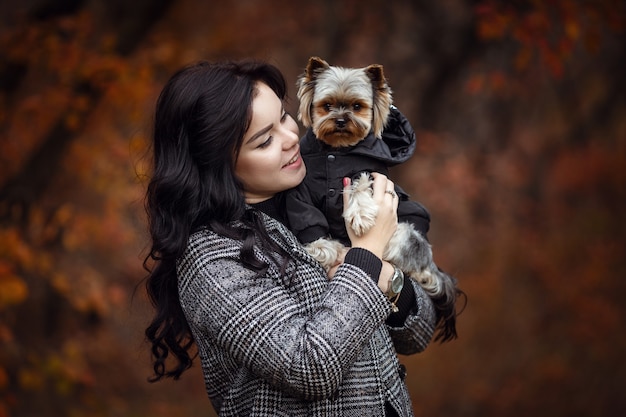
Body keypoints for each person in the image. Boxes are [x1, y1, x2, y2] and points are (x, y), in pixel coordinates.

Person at [143, 60, 437, 417]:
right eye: (265, 140)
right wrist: (368, 253)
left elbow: (419, 332)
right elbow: (310, 368)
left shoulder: (317, 198)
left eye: (284, 117)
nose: (291, 138)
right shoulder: (213, 257)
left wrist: (389, 279)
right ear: (216, 163)